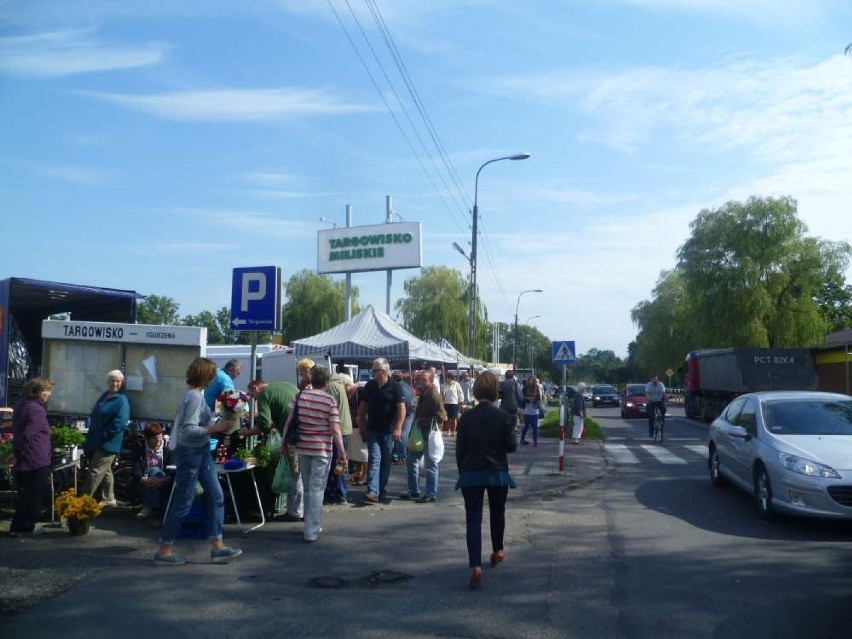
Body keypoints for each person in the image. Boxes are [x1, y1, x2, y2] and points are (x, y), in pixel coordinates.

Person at [153, 357, 242, 566]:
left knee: (216, 494)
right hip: (191, 452)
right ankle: (164, 549)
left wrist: (220, 422)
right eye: (212, 375)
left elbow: (197, 423)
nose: (214, 378)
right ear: (206, 376)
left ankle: (217, 545)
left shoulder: (194, 395)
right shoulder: (193, 397)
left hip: (199, 451)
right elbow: (189, 429)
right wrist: (216, 428)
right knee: (184, 501)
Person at [455, 371, 517, 590]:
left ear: (475, 391)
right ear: (495, 392)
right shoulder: (504, 417)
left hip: (471, 473)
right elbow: (511, 447)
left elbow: (459, 450)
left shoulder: (466, 417)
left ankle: (475, 567)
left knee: (473, 519)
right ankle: (497, 550)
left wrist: (462, 471)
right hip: (497, 472)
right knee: (497, 512)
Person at [281, 365, 346, 542]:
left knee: (309, 486)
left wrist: (283, 441)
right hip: (322, 450)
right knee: (317, 489)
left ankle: (311, 523)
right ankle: (311, 529)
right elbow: (335, 429)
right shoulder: (329, 401)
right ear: (327, 381)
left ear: (311, 379)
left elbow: (289, 420)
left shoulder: (299, 396)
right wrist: (342, 452)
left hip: (302, 447)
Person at [245, 379, 300, 520]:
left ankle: (294, 513)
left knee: (294, 474)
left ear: (256, 388)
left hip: (291, 436)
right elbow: (282, 411)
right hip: (303, 433)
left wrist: (245, 432)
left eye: (252, 395)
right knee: (301, 474)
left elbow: (264, 424)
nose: (253, 399)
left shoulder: (264, 395)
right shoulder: (288, 385)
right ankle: (301, 510)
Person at [356, 357, 405, 504]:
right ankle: (372, 491)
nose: (372, 372)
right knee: (374, 459)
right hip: (372, 429)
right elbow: (363, 406)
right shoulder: (369, 386)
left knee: (385, 462)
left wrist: (398, 428)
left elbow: (401, 408)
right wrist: (361, 424)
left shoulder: (395, 387)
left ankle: (381, 489)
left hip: (389, 431)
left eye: (374, 370)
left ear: (383, 371)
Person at [9, 378, 54, 536]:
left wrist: (16, 453)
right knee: (33, 496)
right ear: (41, 393)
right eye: (48, 392)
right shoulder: (37, 409)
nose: (49, 395)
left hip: (26, 458)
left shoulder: (22, 405)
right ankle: (23, 527)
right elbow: (29, 434)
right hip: (35, 458)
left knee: (26, 494)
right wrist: (18, 453)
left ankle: (20, 526)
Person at [82, 370, 131, 507]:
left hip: (108, 442)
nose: (114, 383)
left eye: (117, 381)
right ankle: (108, 498)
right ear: (107, 382)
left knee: (95, 472)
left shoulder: (122, 400)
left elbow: (119, 423)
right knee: (105, 470)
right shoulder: (104, 396)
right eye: (112, 380)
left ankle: (82, 503)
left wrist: (102, 435)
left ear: (121, 383)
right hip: (97, 440)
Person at [401, 368, 446, 503]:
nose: (421, 381)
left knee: (431, 464)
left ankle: (431, 493)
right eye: (419, 379)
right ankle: (414, 490)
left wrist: (424, 420)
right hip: (419, 434)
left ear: (431, 381)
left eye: (424, 379)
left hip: (429, 434)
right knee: (411, 460)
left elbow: (441, 416)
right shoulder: (424, 393)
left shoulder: (434, 395)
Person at [131, 423, 175, 521]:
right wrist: (143, 479)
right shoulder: (140, 447)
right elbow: (136, 467)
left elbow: (172, 468)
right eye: (154, 438)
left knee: (155, 471)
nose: (158, 440)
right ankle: (156, 512)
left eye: (160, 437)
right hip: (146, 478)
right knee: (152, 476)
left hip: (163, 478)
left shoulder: (168, 447)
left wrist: (163, 480)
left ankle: (148, 507)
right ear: (147, 439)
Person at [324, 369, 356, 505]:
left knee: (338, 463)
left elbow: (329, 410)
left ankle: (339, 493)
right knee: (339, 463)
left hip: (339, 429)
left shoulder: (331, 387)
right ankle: (339, 492)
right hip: (343, 428)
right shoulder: (339, 384)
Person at [391, 370, 414, 466]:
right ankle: (398, 455)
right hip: (410, 410)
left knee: (401, 434)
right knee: (402, 434)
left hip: (404, 410)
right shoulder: (406, 385)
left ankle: (400, 457)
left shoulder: (395, 386)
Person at [520, 376, 543, 446]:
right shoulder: (525, 388)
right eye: (529, 380)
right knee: (526, 426)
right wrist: (527, 399)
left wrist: (534, 400)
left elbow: (539, 398)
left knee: (535, 426)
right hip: (527, 409)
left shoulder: (537, 388)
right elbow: (522, 398)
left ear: (534, 381)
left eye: (532, 381)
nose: (531, 382)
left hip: (535, 409)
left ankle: (535, 441)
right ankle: (522, 439)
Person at [442, 372, 463, 437]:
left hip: (454, 403)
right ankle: (448, 431)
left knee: (454, 419)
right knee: (448, 418)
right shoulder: (444, 385)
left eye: (447, 378)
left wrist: (461, 400)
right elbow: (442, 394)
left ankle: (453, 431)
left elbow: (460, 393)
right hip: (446, 403)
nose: (446, 379)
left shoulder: (456, 384)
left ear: (450, 378)